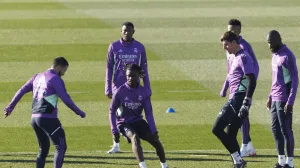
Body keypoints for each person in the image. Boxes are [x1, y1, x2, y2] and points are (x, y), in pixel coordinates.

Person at [3, 57, 86, 168]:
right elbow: (66, 99)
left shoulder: (37, 77)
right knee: (60, 147)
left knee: (43, 149)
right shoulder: (55, 79)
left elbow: (21, 90)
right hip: (48, 118)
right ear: (59, 67)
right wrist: (80, 112)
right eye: (64, 70)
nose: (64, 73)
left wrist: (10, 108)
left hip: (34, 119)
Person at [109, 64, 167, 168]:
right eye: (128, 76)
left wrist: (153, 130)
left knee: (156, 141)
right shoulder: (119, 92)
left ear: (139, 76)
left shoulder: (144, 92)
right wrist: (114, 131)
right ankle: (143, 166)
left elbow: (148, 113)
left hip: (138, 121)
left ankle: (165, 166)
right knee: (135, 137)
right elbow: (112, 111)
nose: (130, 78)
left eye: (133, 76)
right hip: (124, 123)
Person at [105, 21, 151, 153]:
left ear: (133, 32)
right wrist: (107, 87)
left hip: (135, 86)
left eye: (129, 30)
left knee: (133, 110)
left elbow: (144, 69)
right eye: (124, 30)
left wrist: (147, 87)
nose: (126, 32)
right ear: (121, 31)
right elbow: (109, 67)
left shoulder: (140, 47)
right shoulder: (114, 46)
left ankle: (130, 135)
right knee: (117, 112)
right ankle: (116, 144)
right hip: (118, 86)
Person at [213, 31, 257, 168]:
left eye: (226, 44)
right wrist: (224, 88)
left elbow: (252, 80)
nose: (224, 48)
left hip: (238, 99)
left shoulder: (243, 57)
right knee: (231, 135)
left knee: (217, 129)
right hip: (236, 98)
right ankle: (238, 163)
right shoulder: (234, 56)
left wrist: (246, 102)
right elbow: (232, 76)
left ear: (233, 43)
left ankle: (238, 161)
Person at [220, 19, 259, 157]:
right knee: (239, 116)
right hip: (234, 86)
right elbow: (230, 70)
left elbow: (255, 66)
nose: (233, 33)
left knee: (242, 114)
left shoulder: (244, 46)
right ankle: (248, 145)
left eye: (235, 31)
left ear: (240, 31)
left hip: (243, 87)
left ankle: (245, 144)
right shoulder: (228, 45)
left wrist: (250, 85)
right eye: (230, 30)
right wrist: (225, 87)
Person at [266, 30, 298, 168]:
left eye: (272, 42)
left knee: (286, 130)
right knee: (275, 129)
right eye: (268, 43)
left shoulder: (287, 55)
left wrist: (290, 101)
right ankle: (281, 161)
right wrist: (270, 96)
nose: (270, 45)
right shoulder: (275, 55)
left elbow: (295, 79)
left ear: (279, 39)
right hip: (275, 98)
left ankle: (290, 164)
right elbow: (275, 80)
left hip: (284, 99)